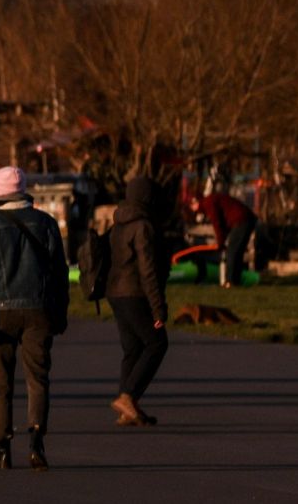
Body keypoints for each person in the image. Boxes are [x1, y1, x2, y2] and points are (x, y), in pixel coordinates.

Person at [0, 167, 69, 471]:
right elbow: (60, 273)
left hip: (0, 313)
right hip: (39, 311)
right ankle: (36, 441)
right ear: (23, 188)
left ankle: (2, 446)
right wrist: (60, 312)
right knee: (38, 378)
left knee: (1, 382)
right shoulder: (46, 223)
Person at [107, 167, 171, 427]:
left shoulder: (119, 224)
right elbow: (148, 271)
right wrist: (158, 309)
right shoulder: (143, 226)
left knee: (132, 349)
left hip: (115, 293)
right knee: (157, 343)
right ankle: (128, 396)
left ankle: (128, 409)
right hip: (135, 293)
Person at [189, 190, 257, 286]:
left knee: (232, 251)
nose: (192, 209)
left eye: (191, 205)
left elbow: (217, 224)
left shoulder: (208, 203)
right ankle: (235, 281)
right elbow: (224, 222)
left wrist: (220, 242)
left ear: (196, 202)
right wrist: (222, 239)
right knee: (237, 252)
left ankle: (230, 281)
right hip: (246, 219)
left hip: (242, 220)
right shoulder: (210, 201)